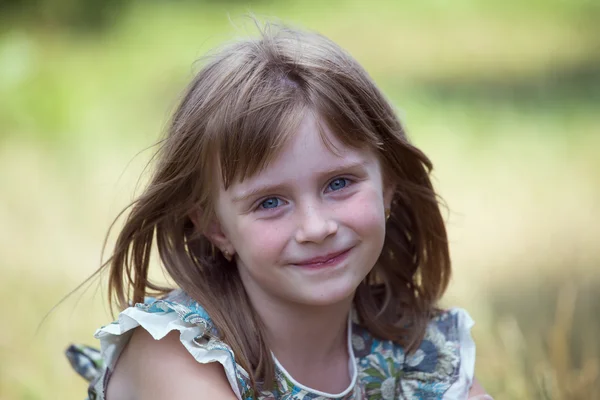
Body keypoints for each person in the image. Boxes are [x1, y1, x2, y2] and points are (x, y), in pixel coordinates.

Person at [67, 20, 492, 400]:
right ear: (216, 227)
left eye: (339, 183)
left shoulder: (412, 348)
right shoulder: (177, 352)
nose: (316, 227)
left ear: (388, 186)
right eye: (269, 202)